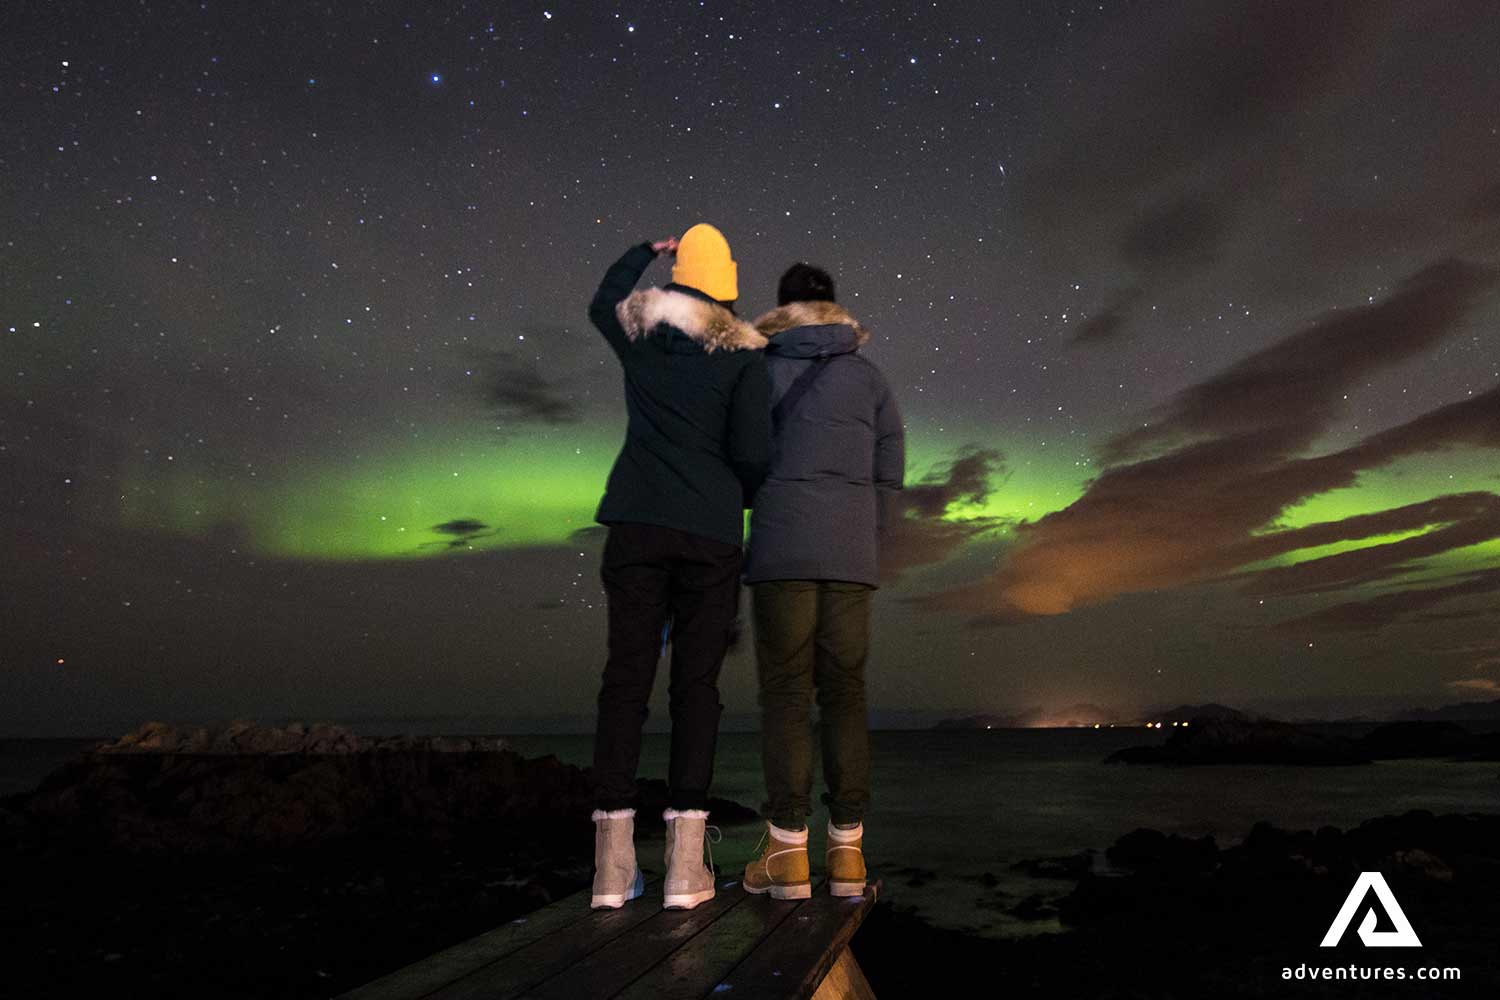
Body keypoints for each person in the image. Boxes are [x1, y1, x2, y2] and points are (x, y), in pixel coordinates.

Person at [586, 224, 771, 911]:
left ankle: (610, 869)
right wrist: (735, 493)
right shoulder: (745, 357)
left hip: (636, 523)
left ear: (675, 276)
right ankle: (687, 873)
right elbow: (755, 451)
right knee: (695, 689)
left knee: (625, 681)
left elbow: (601, 300)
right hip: (710, 534)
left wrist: (642, 252)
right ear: (727, 282)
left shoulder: (639, 333)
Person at [740, 263, 904, 900]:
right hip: (849, 560)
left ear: (781, 311)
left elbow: (743, 459)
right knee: (845, 696)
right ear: (834, 308)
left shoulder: (760, 373)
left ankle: (786, 856)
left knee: (785, 696)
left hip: (781, 553)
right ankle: (848, 855)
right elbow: (890, 470)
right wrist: (868, 539)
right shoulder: (869, 378)